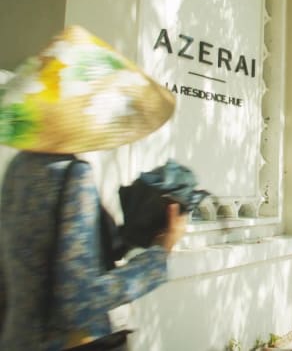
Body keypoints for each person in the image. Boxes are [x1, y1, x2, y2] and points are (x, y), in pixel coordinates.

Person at [0, 25, 186, 351]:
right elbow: (80, 299)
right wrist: (160, 254)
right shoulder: (73, 174)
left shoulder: (19, 168)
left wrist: (123, 236)